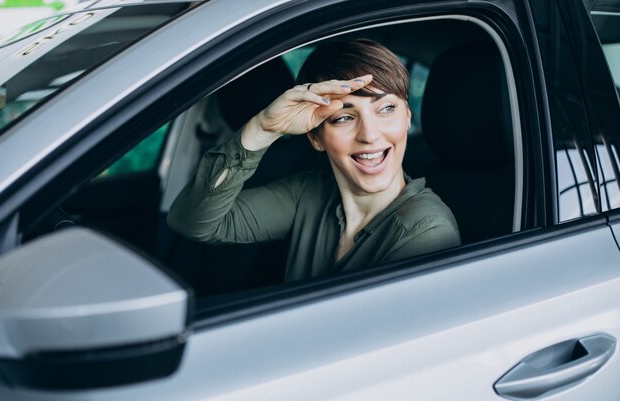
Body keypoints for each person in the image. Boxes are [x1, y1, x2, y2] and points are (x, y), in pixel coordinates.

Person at [168, 39, 460, 282]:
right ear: (315, 138)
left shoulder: (427, 230)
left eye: (386, 109)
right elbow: (192, 222)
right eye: (344, 117)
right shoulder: (309, 193)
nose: (370, 135)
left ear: (408, 116)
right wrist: (262, 129)